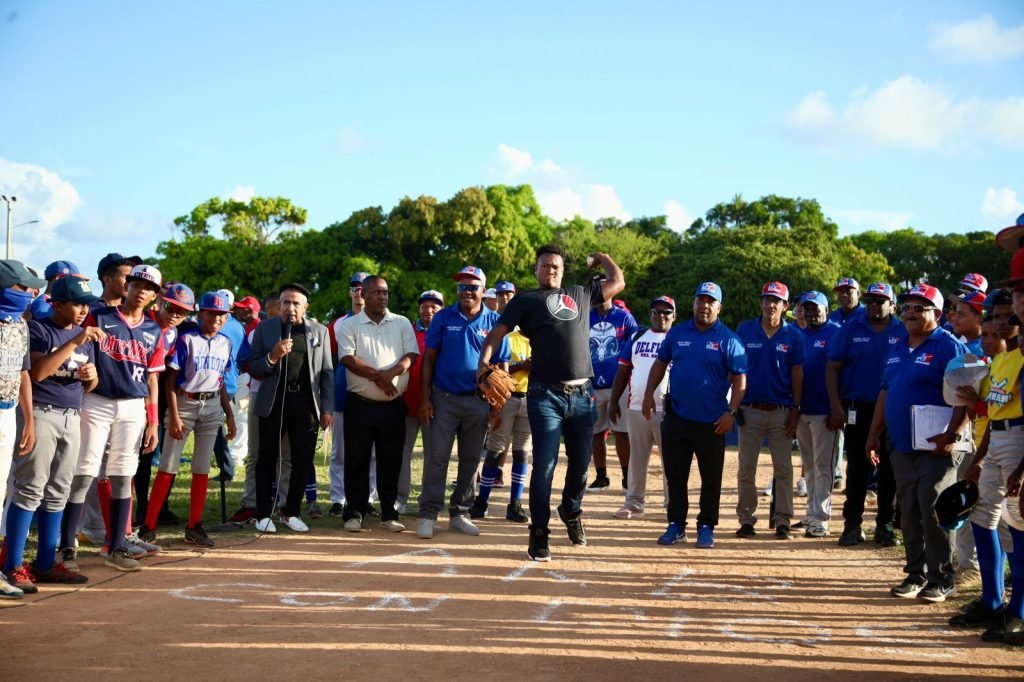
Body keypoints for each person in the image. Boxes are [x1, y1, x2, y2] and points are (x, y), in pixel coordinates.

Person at [479, 245, 624, 561]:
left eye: (556, 266)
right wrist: (484, 362)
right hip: (545, 395)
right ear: (536, 269)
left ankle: (570, 510)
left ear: (562, 270)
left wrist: (602, 257)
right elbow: (497, 333)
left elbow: (618, 281)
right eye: (545, 265)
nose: (550, 270)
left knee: (581, 463)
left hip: (583, 395)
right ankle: (539, 532)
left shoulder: (580, 293)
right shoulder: (525, 301)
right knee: (544, 465)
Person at [867, 283, 968, 603]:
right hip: (902, 446)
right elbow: (885, 392)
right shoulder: (898, 346)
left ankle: (942, 578)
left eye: (919, 307)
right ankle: (916, 574)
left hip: (937, 448)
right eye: (907, 307)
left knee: (935, 509)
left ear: (937, 314)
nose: (910, 312)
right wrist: (873, 434)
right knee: (908, 511)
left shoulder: (948, 346)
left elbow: (966, 395)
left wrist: (952, 435)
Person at [64, 264, 166, 572]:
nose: (141, 291)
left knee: (123, 474)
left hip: (133, 406)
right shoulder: (100, 316)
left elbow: (152, 378)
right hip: (97, 400)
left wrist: (153, 421)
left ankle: (116, 546)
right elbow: (79, 353)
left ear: (154, 296)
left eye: (148, 288)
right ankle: (66, 548)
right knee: (83, 472)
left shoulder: (153, 331)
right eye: (137, 284)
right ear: (128, 286)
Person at [2, 276, 100, 594]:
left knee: (58, 492)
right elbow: (38, 372)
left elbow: (89, 384)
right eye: (77, 303)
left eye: (87, 304)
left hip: (72, 415)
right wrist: (74, 342)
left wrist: (91, 377)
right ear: (57, 304)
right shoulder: (40, 330)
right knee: (30, 489)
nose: (84, 310)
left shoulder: (84, 336)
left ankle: (45, 564)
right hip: (41, 413)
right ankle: (12, 566)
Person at [644, 282, 747, 550]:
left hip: (712, 422)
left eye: (710, 301)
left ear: (719, 307)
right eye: (701, 300)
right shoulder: (677, 334)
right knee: (675, 476)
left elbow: (740, 379)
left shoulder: (729, 339)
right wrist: (647, 394)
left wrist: (731, 412)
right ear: (693, 304)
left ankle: (706, 526)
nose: (704, 306)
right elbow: (660, 364)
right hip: (677, 417)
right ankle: (676, 524)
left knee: (710, 479)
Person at [959, 222, 1024, 642]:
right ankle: (991, 600)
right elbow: (993, 414)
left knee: (1017, 526)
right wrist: (979, 458)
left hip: (1018, 440)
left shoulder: (1020, 357)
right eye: (996, 317)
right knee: (983, 520)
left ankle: (1017, 611)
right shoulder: (999, 361)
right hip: (996, 438)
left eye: (1005, 318)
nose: (1001, 324)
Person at [417, 266, 509, 539]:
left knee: (470, 459)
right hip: (443, 398)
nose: (466, 291)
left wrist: (498, 406)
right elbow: (428, 359)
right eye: (461, 287)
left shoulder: (495, 321)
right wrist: (425, 398)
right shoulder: (443, 317)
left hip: (478, 400)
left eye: (472, 287)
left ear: (483, 290)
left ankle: (460, 513)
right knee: (437, 458)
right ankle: (428, 513)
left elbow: (502, 365)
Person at [139, 292, 237, 547]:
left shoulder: (225, 343)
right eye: (212, 313)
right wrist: (172, 416)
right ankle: (149, 526)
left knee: (202, 468)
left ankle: (194, 526)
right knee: (168, 466)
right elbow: (170, 382)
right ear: (201, 313)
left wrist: (229, 414)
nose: (216, 319)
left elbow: (221, 382)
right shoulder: (187, 339)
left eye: (222, 315)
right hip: (184, 403)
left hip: (212, 404)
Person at [249, 283, 333, 534]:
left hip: (305, 403)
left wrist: (327, 409)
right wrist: (272, 357)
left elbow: (327, 373)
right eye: (286, 302)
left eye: (296, 303)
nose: (290, 308)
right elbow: (253, 366)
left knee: (302, 459)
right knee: (266, 458)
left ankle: (292, 512)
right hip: (273, 401)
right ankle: (263, 514)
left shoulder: (320, 331)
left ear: (305, 307)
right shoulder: (265, 329)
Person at [337, 276, 418, 532]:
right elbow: (348, 359)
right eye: (376, 292)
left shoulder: (401, 322)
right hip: (360, 405)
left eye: (385, 292)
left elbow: (411, 355)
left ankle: (388, 513)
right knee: (356, 460)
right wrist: (381, 378)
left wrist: (390, 374)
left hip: (393, 407)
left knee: (390, 461)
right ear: (364, 295)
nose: (382, 297)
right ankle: (354, 512)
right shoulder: (350, 325)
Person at [827, 282, 905, 548]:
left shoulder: (903, 330)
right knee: (858, 468)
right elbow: (832, 367)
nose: (873, 305)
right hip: (857, 408)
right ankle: (852, 525)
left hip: (893, 409)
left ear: (892, 305)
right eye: (870, 300)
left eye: (880, 300)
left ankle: (884, 525)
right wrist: (836, 406)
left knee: (889, 469)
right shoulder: (851, 328)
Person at [734, 282, 804, 540]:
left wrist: (796, 409)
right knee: (746, 468)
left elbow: (797, 374)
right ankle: (746, 520)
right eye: (766, 299)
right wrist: (734, 405)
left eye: (776, 300)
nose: (770, 304)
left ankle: (782, 520)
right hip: (750, 409)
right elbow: (735, 369)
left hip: (781, 411)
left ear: (785, 306)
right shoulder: (745, 330)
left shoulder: (793, 335)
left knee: (783, 468)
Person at [133, 281, 195, 528]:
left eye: (182, 312)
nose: (175, 315)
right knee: (138, 456)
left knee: (156, 452)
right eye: (171, 308)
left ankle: (156, 508)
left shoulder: (176, 332)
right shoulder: (144, 321)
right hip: (136, 393)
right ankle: (139, 509)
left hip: (160, 395)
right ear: (159, 303)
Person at [0, 260, 44, 598]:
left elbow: (23, 372)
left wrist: (28, 419)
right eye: (23, 287)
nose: (31, 292)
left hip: (8, 411)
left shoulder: (20, 325)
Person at [470, 281, 531, 523]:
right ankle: (482, 501)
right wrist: (521, 366)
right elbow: (496, 370)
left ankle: (515, 504)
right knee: (495, 450)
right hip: (507, 398)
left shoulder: (537, 339)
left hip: (530, 399)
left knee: (522, 453)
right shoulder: (507, 336)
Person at [610, 295, 675, 519]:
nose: (661, 316)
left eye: (666, 312)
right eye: (656, 311)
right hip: (636, 406)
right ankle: (634, 502)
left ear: (674, 316)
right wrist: (613, 401)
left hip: (667, 409)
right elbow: (623, 370)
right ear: (650, 314)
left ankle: (672, 504)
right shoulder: (637, 336)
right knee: (637, 457)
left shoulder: (677, 339)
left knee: (671, 460)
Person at [792, 291, 842, 538]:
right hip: (803, 409)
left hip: (825, 410)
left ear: (826, 310)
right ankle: (811, 513)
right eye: (807, 309)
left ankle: (821, 518)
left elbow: (842, 371)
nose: (811, 313)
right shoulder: (799, 334)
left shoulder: (836, 333)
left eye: (816, 308)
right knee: (810, 465)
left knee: (824, 465)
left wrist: (837, 407)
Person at [327, 272, 372, 517]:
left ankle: (370, 497)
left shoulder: (384, 321)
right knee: (340, 451)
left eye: (363, 287)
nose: (358, 292)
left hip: (373, 391)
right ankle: (338, 498)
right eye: (355, 287)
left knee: (371, 450)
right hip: (343, 390)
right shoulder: (337, 324)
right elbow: (330, 362)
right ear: (350, 292)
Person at [587, 292, 638, 492]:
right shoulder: (587, 316)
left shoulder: (624, 316)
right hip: (592, 383)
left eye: (605, 290)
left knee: (621, 432)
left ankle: (627, 478)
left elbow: (635, 344)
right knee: (596, 432)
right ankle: (601, 477)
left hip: (620, 383)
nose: (601, 295)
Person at [400, 290, 444, 515]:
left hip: (435, 403)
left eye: (434, 306)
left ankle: (427, 500)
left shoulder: (446, 331)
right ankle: (400, 499)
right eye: (425, 306)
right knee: (403, 452)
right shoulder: (407, 330)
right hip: (408, 401)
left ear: (441, 309)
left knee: (433, 454)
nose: (428, 310)